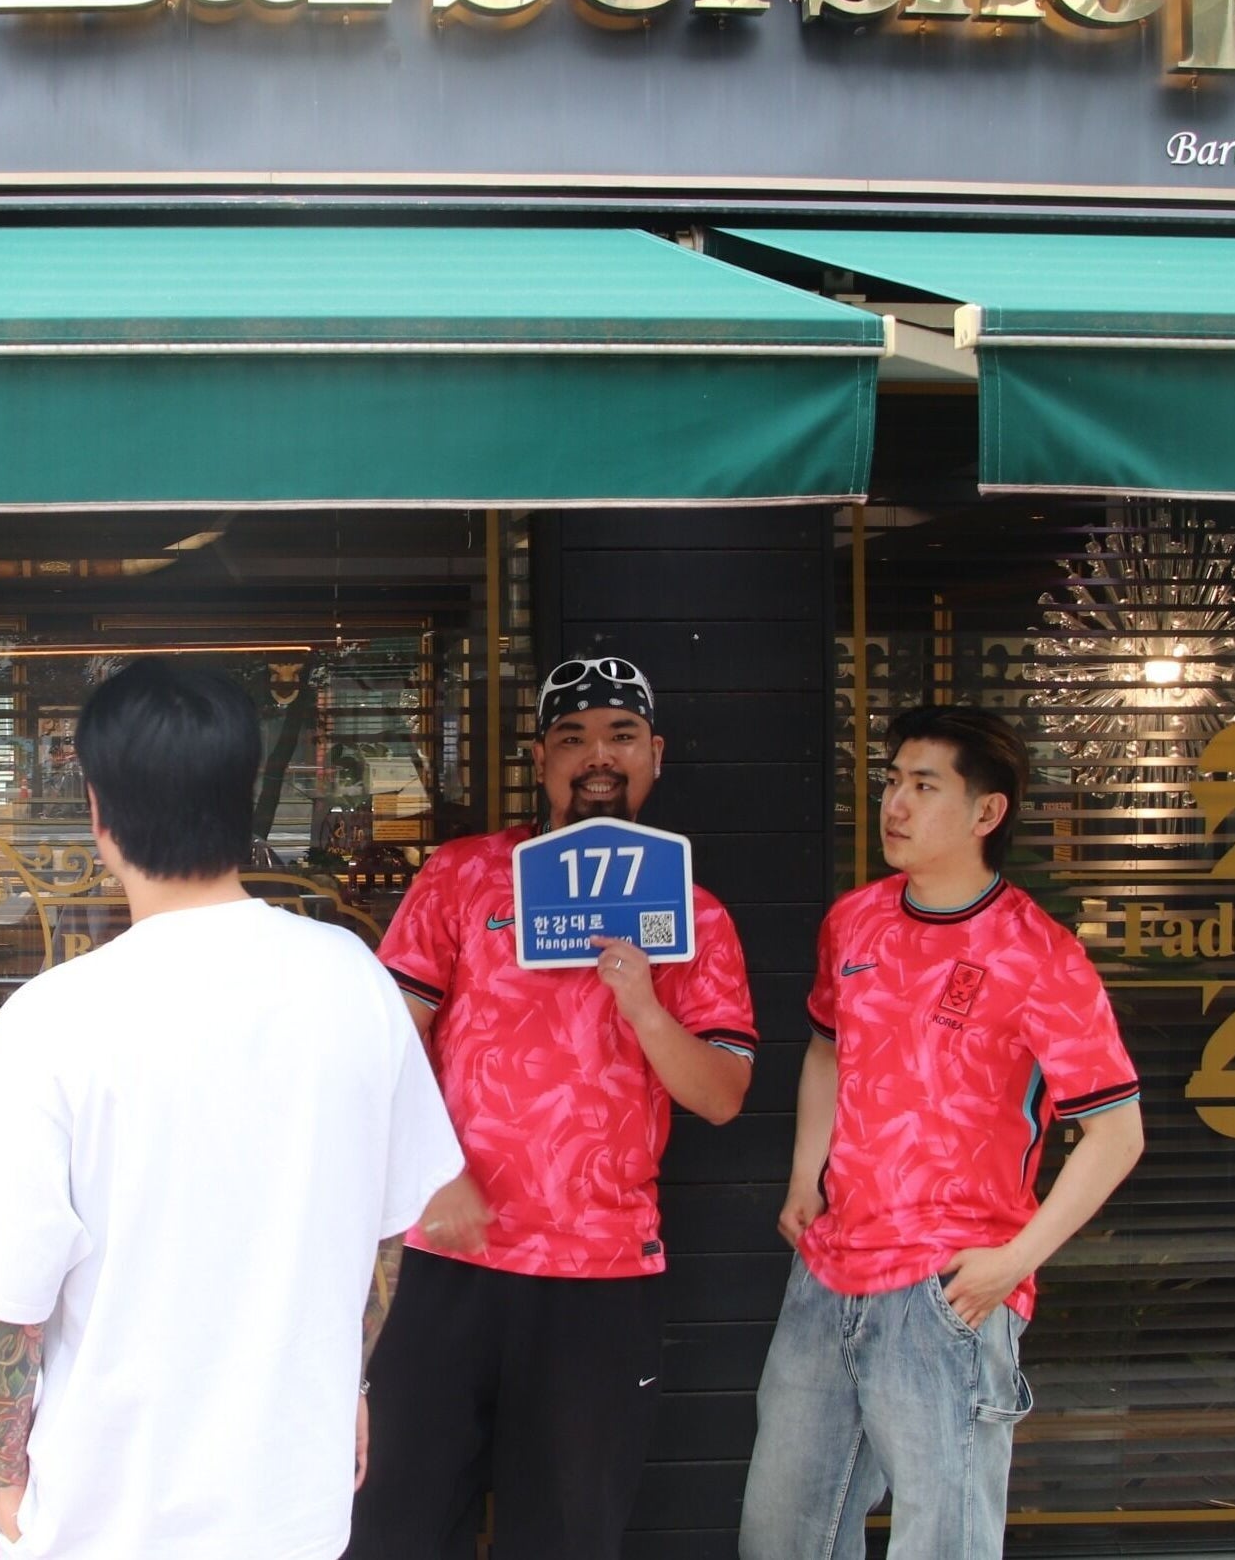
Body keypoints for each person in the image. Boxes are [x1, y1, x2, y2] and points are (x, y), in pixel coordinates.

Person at [0, 659, 462, 1559]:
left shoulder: (52, 1021)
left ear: (97, 813)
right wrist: (349, 1386)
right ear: (249, 801)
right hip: (291, 1504)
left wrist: (9, 1477)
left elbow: (2, 1308)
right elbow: (388, 1238)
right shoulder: (353, 981)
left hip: (105, 1513)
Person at [348, 654, 758, 1560]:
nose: (597, 756)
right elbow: (383, 1044)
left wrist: (645, 1004)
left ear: (656, 754)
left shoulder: (697, 914)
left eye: (620, 736)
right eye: (573, 739)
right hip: (444, 1255)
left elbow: (723, 1098)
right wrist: (438, 1169)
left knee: (566, 1539)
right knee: (395, 1528)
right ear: (541, 761)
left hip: (601, 1277)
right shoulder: (462, 877)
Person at [739, 706, 1144, 1560]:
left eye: (924, 786)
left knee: (944, 1542)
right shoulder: (856, 921)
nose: (896, 803)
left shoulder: (1039, 953)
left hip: (948, 1288)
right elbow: (825, 1047)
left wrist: (1014, 1260)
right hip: (828, 1272)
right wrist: (805, 1175)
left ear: (986, 812)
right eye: (892, 781)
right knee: (782, 1537)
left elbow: (1116, 1132)